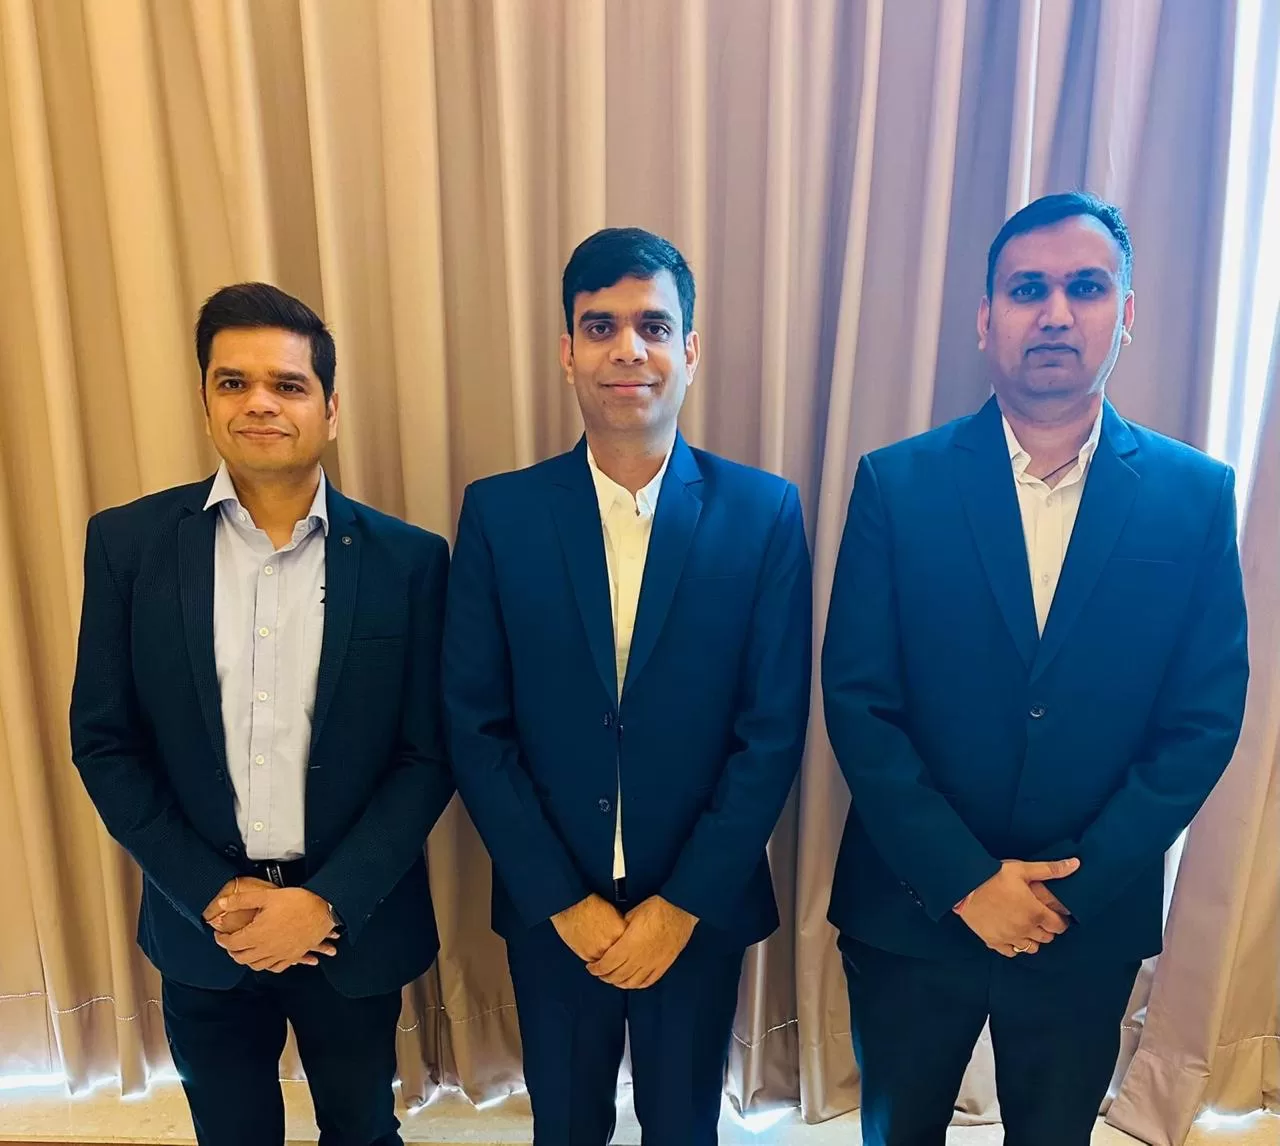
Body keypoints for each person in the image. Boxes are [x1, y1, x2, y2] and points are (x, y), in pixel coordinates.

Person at [822, 192, 1249, 1146]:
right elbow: (858, 701)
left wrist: (1068, 892)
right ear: (987, 319)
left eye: (1085, 288)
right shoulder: (897, 483)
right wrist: (967, 880)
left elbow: (1203, 720)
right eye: (1027, 290)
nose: (1055, 312)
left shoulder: (1193, 496)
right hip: (913, 905)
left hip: (1084, 919)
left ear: (1125, 315)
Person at [443, 227, 812, 1144]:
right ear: (567, 351)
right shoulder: (500, 513)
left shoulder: (764, 512)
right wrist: (560, 900)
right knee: (565, 1128)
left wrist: (680, 907)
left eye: (654, 325)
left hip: (697, 906)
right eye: (600, 326)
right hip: (552, 908)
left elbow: (770, 732)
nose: (628, 349)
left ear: (690, 349)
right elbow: (475, 724)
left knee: (684, 1127)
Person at [70, 283, 453, 1146]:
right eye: (233, 382)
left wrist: (327, 903)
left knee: (363, 1130)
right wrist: (212, 896)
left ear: (330, 409)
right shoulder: (128, 547)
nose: (260, 404)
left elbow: (428, 755)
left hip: (350, 927)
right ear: (206, 400)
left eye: (287, 384)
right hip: (204, 925)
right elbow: (104, 742)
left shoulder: (410, 561)